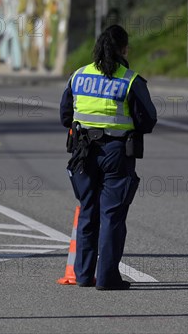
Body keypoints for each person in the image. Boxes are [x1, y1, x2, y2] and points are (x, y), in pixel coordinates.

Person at [60, 24, 157, 290]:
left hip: (82, 154)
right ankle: (107, 278)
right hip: (116, 153)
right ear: (124, 49)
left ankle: (82, 275)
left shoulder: (78, 76)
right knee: (112, 216)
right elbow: (148, 120)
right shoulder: (130, 80)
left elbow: (65, 116)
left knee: (88, 213)